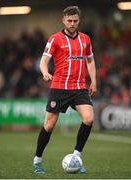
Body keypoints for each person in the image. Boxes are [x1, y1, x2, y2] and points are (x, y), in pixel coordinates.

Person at [33, 6, 97, 174]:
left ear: (79, 21)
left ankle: (76, 156)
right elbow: (43, 60)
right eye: (69, 21)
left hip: (79, 87)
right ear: (63, 20)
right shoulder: (55, 39)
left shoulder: (85, 39)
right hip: (59, 87)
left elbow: (90, 61)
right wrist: (45, 72)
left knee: (89, 118)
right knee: (49, 125)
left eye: (75, 21)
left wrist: (94, 80)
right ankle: (37, 160)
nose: (72, 23)